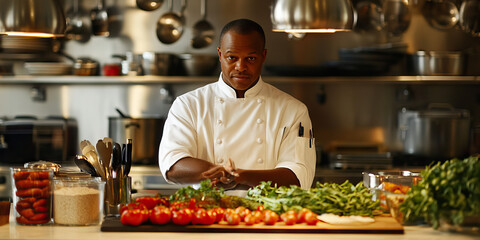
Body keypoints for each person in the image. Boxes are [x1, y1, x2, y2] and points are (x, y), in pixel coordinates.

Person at [158, 19, 316, 194]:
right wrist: (218, 172)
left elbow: (299, 176)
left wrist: (241, 177)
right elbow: (172, 165)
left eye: (250, 58)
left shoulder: (292, 110)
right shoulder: (189, 105)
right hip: (206, 214)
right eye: (232, 57)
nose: (241, 67)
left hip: (266, 216)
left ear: (263, 56)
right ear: (220, 55)